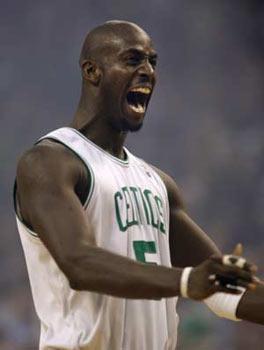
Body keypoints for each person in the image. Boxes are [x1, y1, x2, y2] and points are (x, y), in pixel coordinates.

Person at [14, 20, 264, 350]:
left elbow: (221, 289)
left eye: (152, 62)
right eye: (133, 60)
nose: (147, 71)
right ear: (92, 71)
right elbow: (79, 263)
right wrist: (187, 281)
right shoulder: (49, 162)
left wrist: (206, 280)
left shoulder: (159, 184)